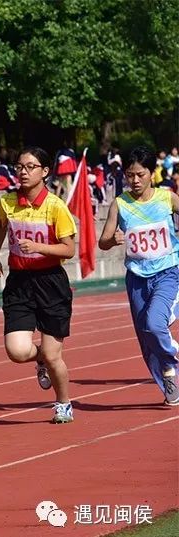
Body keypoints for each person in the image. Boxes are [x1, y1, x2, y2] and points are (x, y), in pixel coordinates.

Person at [0, 147, 77, 423]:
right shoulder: (8, 202)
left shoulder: (55, 206)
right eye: (19, 167)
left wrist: (38, 247)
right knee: (16, 351)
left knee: (54, 356)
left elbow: (69, 249)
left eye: (30, 167)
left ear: (45, 172)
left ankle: (63, 403)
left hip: (50, 282)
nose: (23, 172)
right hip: (19, 282)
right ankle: (39, 358)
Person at [98, 146, 179, 406]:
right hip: (137, 278)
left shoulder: (167, 198)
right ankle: (167, 375)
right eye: (130, 175)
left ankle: (171, 361)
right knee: (145, 335)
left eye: (140, 175)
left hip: (167, 272)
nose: (134, 180)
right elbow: (103, 241)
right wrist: (114, 239)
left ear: (151, 173)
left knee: (155, 324)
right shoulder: (120, 204)